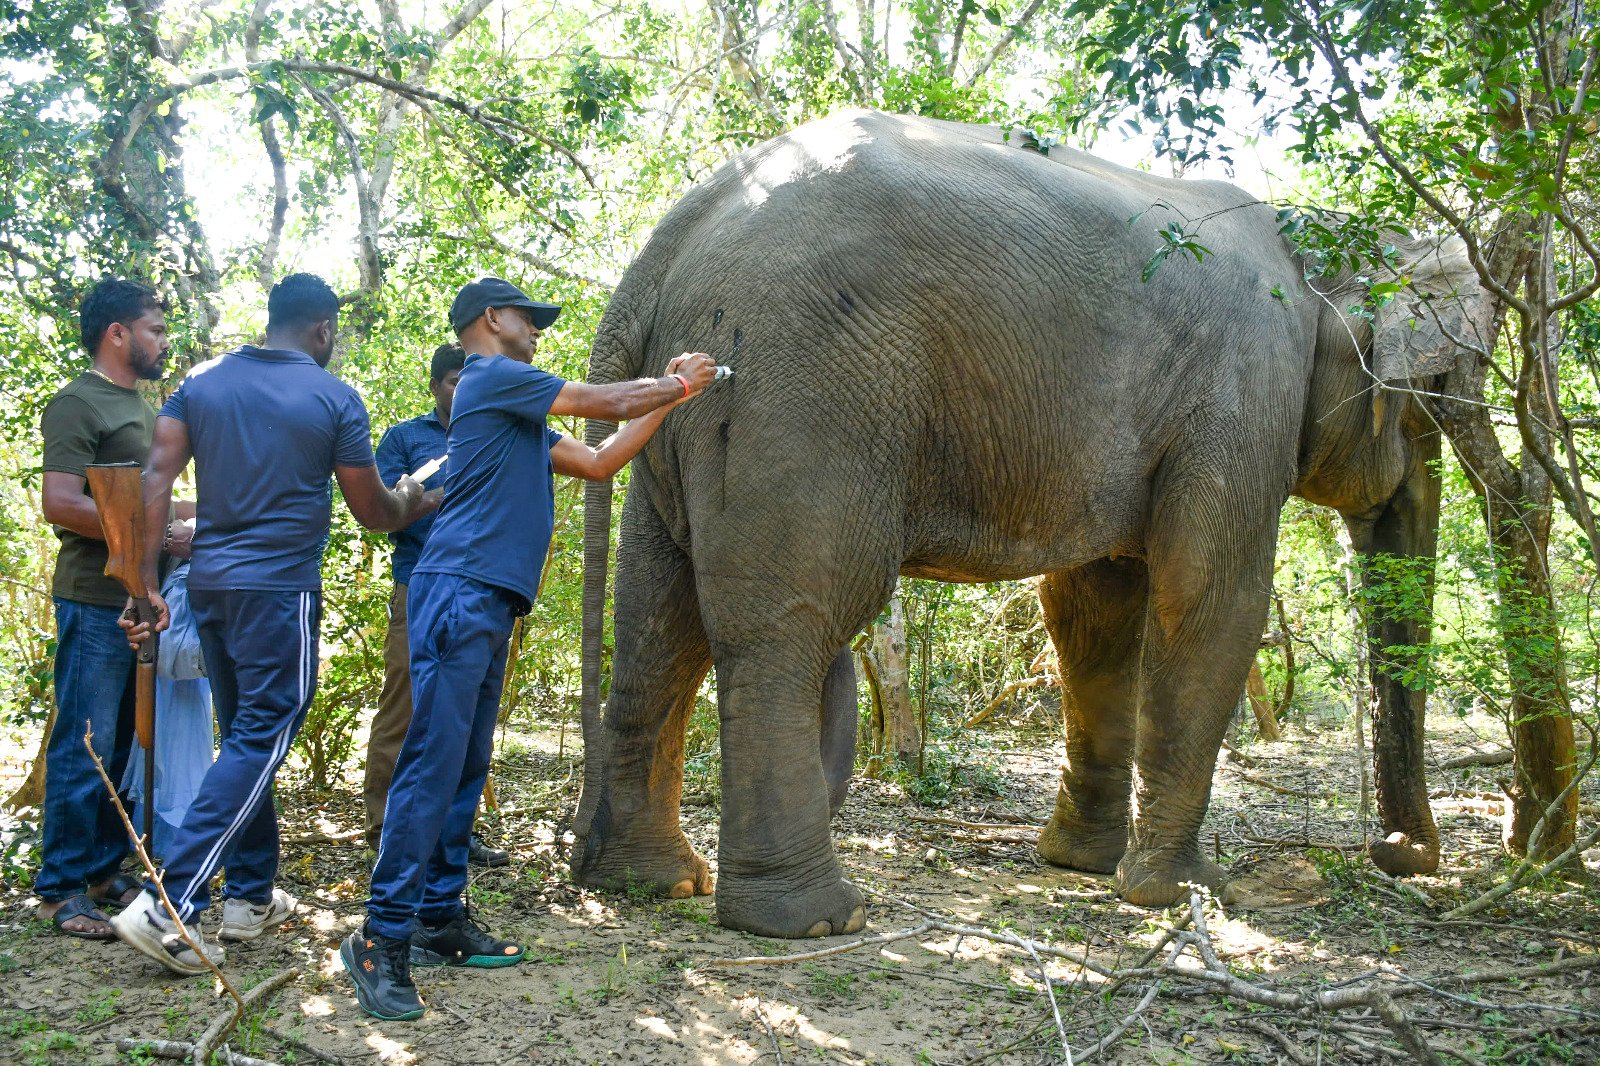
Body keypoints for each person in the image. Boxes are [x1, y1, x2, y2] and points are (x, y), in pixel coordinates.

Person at [343, 277, 716, 1021]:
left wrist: (675, 399)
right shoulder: (491, 377)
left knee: (464, 766)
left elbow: (603, 460)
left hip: (489, 600)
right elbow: (609, 401)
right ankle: (381, 938)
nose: (538, 329)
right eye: (529, 318)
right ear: (491, 320)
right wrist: (676, 380)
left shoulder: (515, 414)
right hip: (457, 591)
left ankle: (438, 915)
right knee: (431, 764)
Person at [112, 273, 438, 976]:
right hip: (278, 591)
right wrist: (419, 493)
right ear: (322, 329)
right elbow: (373, 511)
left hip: (209, 588)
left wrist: (143, 583)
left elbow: (155, 482)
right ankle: (169, 900)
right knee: (265, 732)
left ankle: (248, 898)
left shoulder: (200, 382)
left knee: (245, 739)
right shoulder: (333, 396)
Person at [36, 278, 189, 940]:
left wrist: (194, 520)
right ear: (117, 334)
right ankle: (61, 888)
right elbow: (62, 502)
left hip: (143, 599)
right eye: (154, 329)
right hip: (95, 598)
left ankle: (104, 868)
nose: (163, 341)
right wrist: (152, 534)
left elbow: (151, 503)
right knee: (86, 739)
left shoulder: (146, 408)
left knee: (124, 743)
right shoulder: (76, 403)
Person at [361, 343, 507, 867]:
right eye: (451, 381)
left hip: (479, 589)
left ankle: (454, 836)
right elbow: (379, 511)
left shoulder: (495, 429)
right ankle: (384, 830)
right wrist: (445, 495)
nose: (461, 390)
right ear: (434, 386)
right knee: (403, 707)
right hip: (418, 585)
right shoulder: (406, 438)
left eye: (468, 381)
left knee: (465, 720)